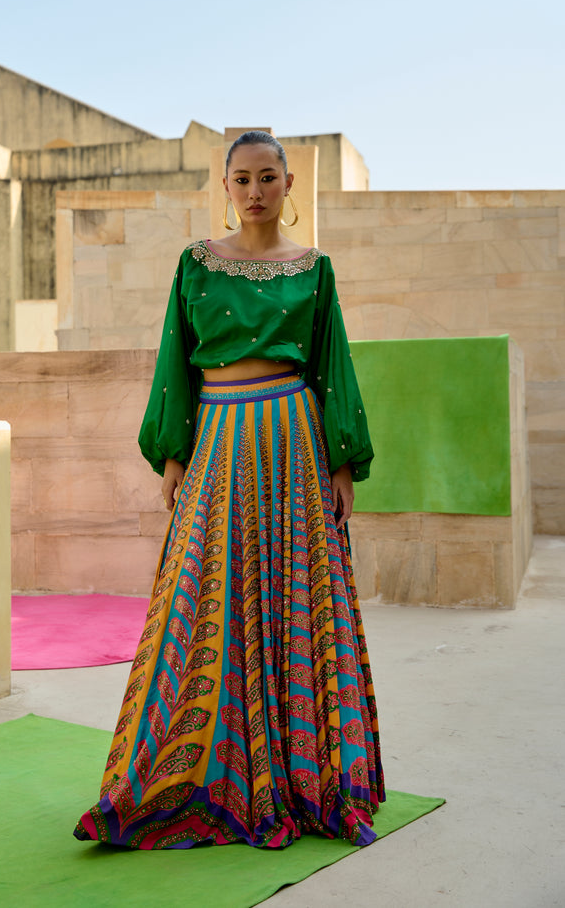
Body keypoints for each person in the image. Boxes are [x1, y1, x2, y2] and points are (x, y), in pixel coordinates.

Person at [74, 130, 385, 850]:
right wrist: (173, 456)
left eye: (268, 177)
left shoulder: (316, 268)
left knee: (300, 599)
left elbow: (332, 363)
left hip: (297, 445)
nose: (254, 191)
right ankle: (191, 776)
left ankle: (311, 781)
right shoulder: (196, 264)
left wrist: (342, 464)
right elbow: (174, 360)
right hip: (217, 440)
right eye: (241, 178)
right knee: (204, 596)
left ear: (287, 185)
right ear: (224, 185)